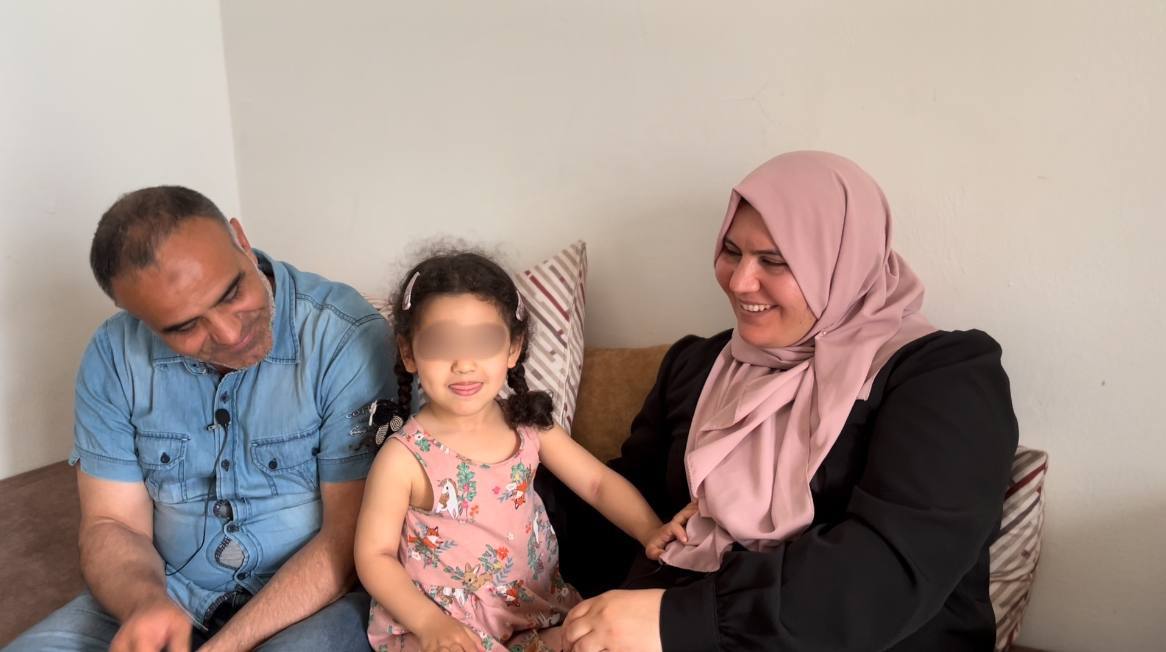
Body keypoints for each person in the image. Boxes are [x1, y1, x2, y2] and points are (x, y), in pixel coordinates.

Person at [557, 151, 1020, 651]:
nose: (739, 282)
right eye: (731, 250)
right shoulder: (697, 367)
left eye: (774, 261)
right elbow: (626, 509)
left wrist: (679, 621)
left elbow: (894, 566)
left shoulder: (944, 377)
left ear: (841, 262)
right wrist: (505, 463)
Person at [7, 187, 396, 651]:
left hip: (312, 605)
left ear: (241, 241)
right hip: (170, 590)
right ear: (137, 317)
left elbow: (346, 538)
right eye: (185, 327)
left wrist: (222, 647)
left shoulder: (345, 335)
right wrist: (143, 602)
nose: (229, 334)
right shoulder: (113, 355)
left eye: (232, 293)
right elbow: (112, 523)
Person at [354, 251, 690, 652]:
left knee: (599, 643)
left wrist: (650, 529)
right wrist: (429, 623)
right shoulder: (404, 457)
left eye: (484, 342)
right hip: (444, 629)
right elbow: (374, 555)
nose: (464, 364)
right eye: (442, 344)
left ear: (513, 348)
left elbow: (598, 484)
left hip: (531, 613)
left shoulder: (527, 426)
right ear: (409, 353)